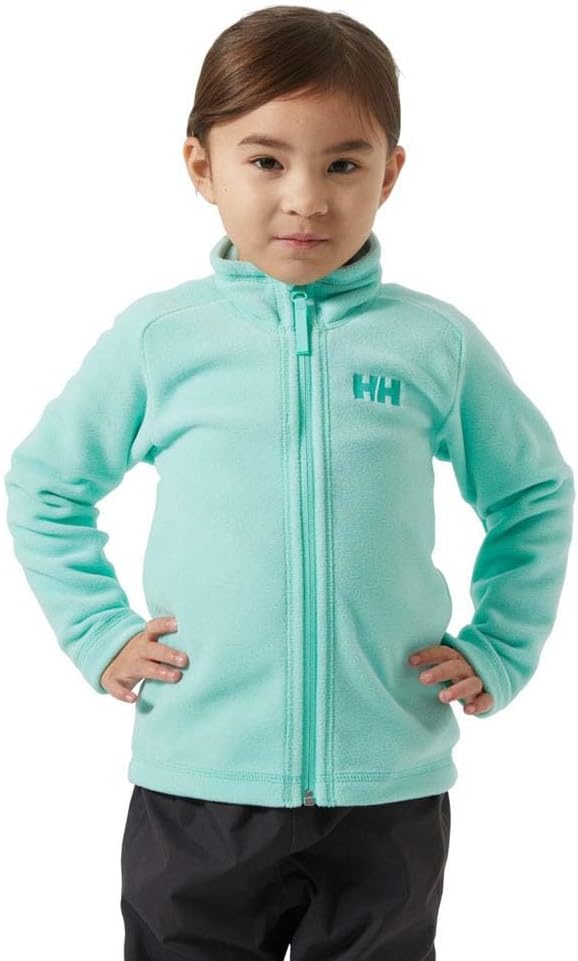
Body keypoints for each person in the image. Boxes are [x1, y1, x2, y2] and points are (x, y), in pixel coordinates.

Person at [4, 5, 574, 960]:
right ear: (202, 167)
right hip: (199, 783)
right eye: (266, 161)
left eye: (343, 164)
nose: (306, 199)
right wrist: (99, 632)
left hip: (387, 789)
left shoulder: (433, 342)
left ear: (390, 173)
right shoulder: (161, 339)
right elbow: (45, 486)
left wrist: (502, 646)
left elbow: (535, 494)